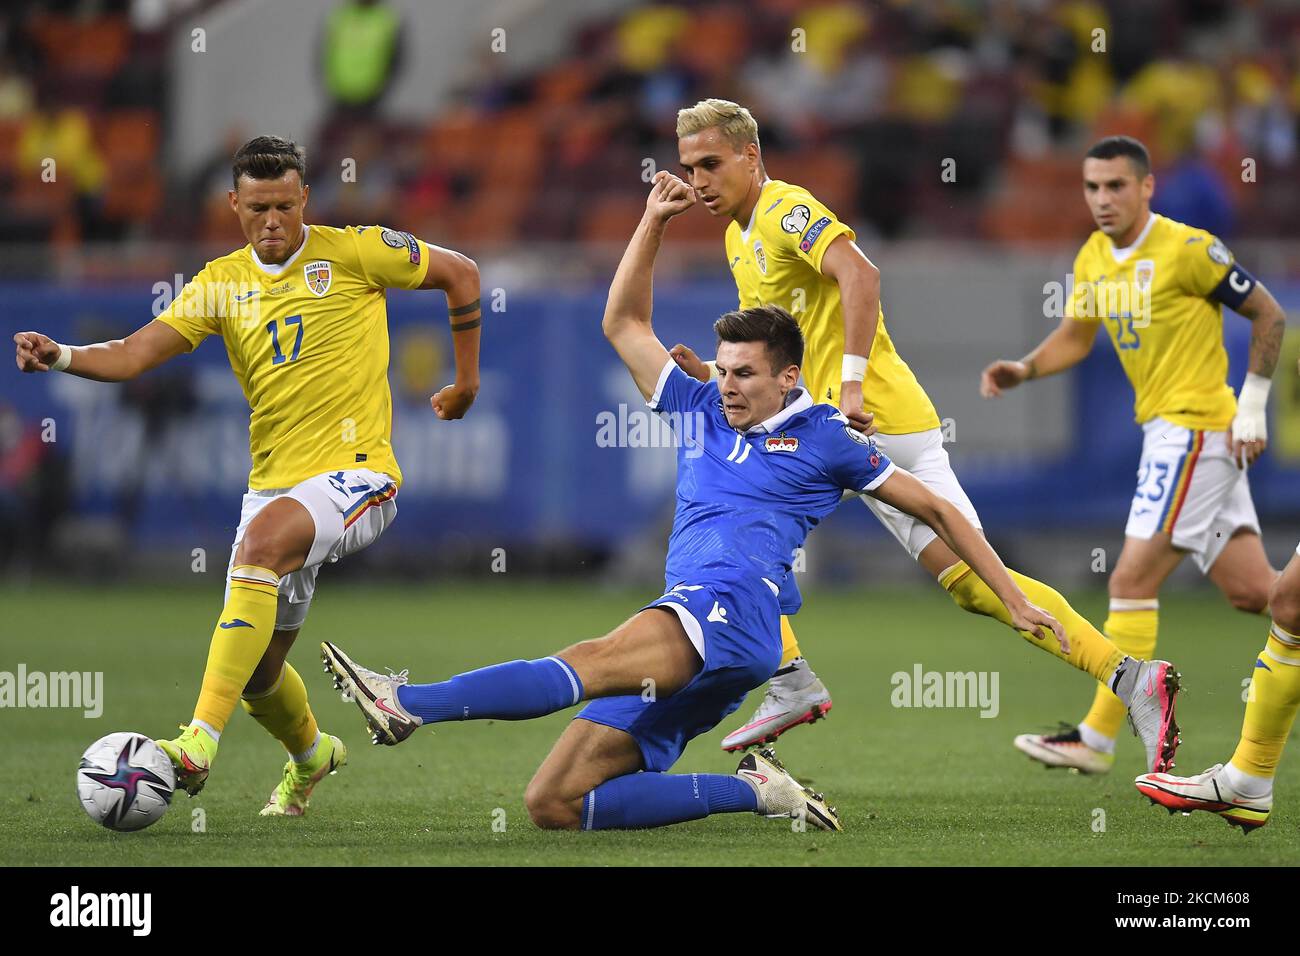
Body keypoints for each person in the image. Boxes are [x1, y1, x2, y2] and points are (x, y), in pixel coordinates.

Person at [320, 172, 1179, 833]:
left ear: (788, 379)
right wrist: (652, 223)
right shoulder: (699, 403)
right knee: (554, 802)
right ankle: (758, 792)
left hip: (725, 615)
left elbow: (939, 510)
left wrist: (1014, 594)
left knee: (589, 654)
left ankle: (409, 704)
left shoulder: (827, 439)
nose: (725, 385)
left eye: (743, 375)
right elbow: (623, 324)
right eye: (721, 370)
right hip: (720, 641)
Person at [13, 135, 482, 815]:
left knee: (260, 546)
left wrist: (464, 383)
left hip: (361, 474)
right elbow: (135, 354)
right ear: (234, 204)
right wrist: (61, 356)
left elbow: (462, 273)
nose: (273, 221)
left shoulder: (355, 252)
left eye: (285, 206)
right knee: (261, 675)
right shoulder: (220, 283)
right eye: (258, 207)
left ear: (304, 200)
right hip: (274, 485)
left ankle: (197, 742)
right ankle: (313, 757)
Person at [669, 99, 1148, 759]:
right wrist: (713, 369)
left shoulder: (784, 209)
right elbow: (774, 346)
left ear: (751, 156)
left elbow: (860, 274)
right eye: (689, 168)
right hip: (889, 420)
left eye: (711, 164)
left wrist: (855, 382)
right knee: (976, 585)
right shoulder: (736, 237)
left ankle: (790, 681)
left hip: (854, 416)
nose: (698, 181)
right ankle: (1131, 678)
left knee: (732, 522)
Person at [981, 135, 1285, 774]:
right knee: (1260, 594)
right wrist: (1024, 369)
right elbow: (1076, 336)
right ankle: (1098, 739)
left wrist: (1253, 406)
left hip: (1197, 431)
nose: (1102, 199)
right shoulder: (1095, 254)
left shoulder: (1189, 249)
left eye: (1116, 186)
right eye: (1092, 187)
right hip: (1179, 436)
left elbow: (1270, 316)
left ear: (1146, 187)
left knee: (1129, 579)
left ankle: (1096, 739)